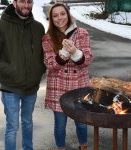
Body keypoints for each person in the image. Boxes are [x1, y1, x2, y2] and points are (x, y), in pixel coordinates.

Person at [0, 0, 46, 150]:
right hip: (10, 87)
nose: (26, 5)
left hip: (31, 88)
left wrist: (39, 71)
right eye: (22, 1)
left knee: (28, 123)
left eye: (29, 2)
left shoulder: (38, 28)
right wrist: (11, 71)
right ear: (14, 2)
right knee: (12, 127)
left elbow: (44, 55)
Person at [42, 3, 93, 150]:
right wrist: (64, 53)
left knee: (81, 122)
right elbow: (51, 65)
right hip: (58, 87)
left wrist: (76, 53)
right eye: (55, 15)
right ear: (51, 19)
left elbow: (87, 60)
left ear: (68, 14)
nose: (60, 18)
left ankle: (83, 146)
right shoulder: (47, 38)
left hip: (78, 85)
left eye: (62, 14)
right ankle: (61, 148)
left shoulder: (82, 33)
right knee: (59, 124)